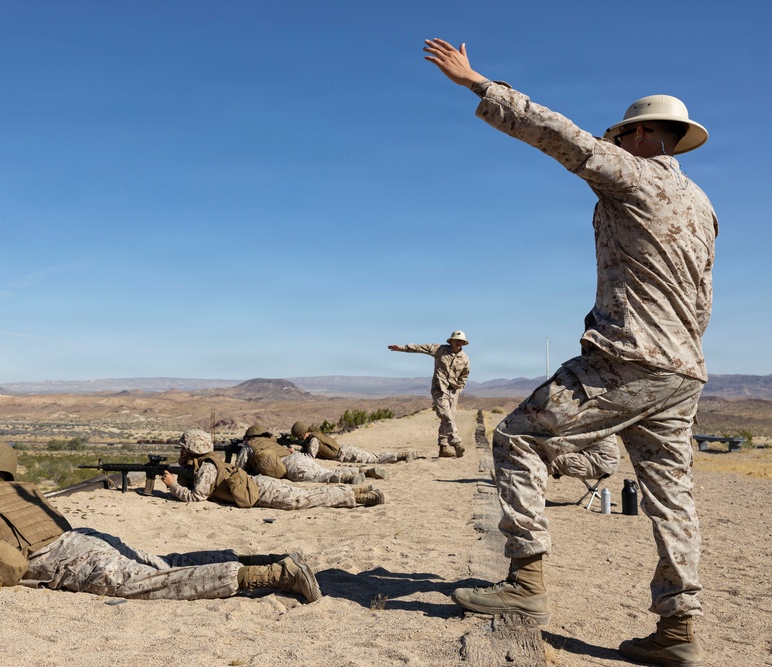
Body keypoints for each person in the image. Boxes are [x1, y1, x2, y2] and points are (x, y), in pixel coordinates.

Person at [423, 36, 716, 667]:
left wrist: (479, 84)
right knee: (673, 496)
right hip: (682, 369)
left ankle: (526, 584)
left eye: (621, 134)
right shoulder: (702, 206)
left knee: (518, 438)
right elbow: (702, 296)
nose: (613, 143)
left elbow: (565, 138)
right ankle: (679, 627)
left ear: (640, 136)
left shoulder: (633, 176)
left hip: (628, 358)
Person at [0, 438, 321, 603]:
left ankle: (273, 573)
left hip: (70, 560)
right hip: (84, 542)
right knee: (163, 562)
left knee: (157, 583)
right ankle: (261, 557)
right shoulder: (26, 490)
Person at [162, 430, 386, 508]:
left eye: (184, 450)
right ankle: (357, 492)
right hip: (258, 485)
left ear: (192, 451)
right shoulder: (206, 462)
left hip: (261, 491)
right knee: (306, 495)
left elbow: (196, 497)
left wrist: (173, 486)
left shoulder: (207, 467)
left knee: (303, 500)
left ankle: (358, 497)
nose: (181, 454)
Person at [389, 330, 471, 458]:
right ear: (451, 341)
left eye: (461, 341)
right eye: (456, 340)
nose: (458, 342)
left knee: (449, 418)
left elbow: (465, 375)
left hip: (453, 392)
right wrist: (402, 348)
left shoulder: (465, 358)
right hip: (439, 389)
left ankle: (443, 448)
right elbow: (421, 348)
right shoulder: (439, 349)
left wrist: (459, 389)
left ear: (463, 343)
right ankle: (456, 443)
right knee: (446, 415)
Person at [237, 424, 388, 483]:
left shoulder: (249, 446)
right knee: (326, 471)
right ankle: (364, 472)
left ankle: (350, 477)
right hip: (297, 458)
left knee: (321, 477)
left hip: (290, 464)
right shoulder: (271, 441)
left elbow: (239, 470)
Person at [289, 422, 419, 465]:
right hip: (344, 452)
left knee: (374, 460)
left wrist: (294, 453)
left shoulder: (313, 440)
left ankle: (401, 456)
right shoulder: (313, 437)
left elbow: (310, 456)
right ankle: (400, 456)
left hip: (345, 454)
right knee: (373, 458)